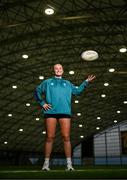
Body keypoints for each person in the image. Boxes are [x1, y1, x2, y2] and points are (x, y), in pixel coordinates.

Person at [35, 64, 96, 171]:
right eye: (56, 68)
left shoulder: (67, 83)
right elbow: (37, 91)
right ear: (53, 70)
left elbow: (77, 92)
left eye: (60, 68)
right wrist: (42, 103)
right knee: (50, 137)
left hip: (65, 112)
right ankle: (45, 164)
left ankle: (69, 165)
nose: (58, 70)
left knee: (66, 137)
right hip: (50, 112)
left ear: (63, 70)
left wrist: (86, 82)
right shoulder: (47, 82)